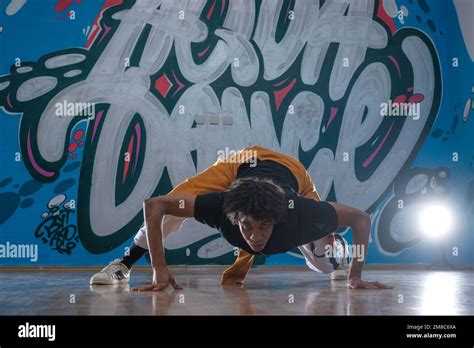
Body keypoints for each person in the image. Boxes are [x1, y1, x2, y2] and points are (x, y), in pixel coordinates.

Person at [92, 147, 390, 289]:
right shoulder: (219, 206)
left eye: (264, 227)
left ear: (277, 219)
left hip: (292, 171)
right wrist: (158, 267)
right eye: (247, 227)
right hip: (242, 162)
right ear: (233, 218)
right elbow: (155, 205)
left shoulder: (299, 211)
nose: (255, 237)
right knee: (174, 203)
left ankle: (334, 249)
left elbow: (360, 220)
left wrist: (355, 277)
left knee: (322, 261)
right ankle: (123, 265)